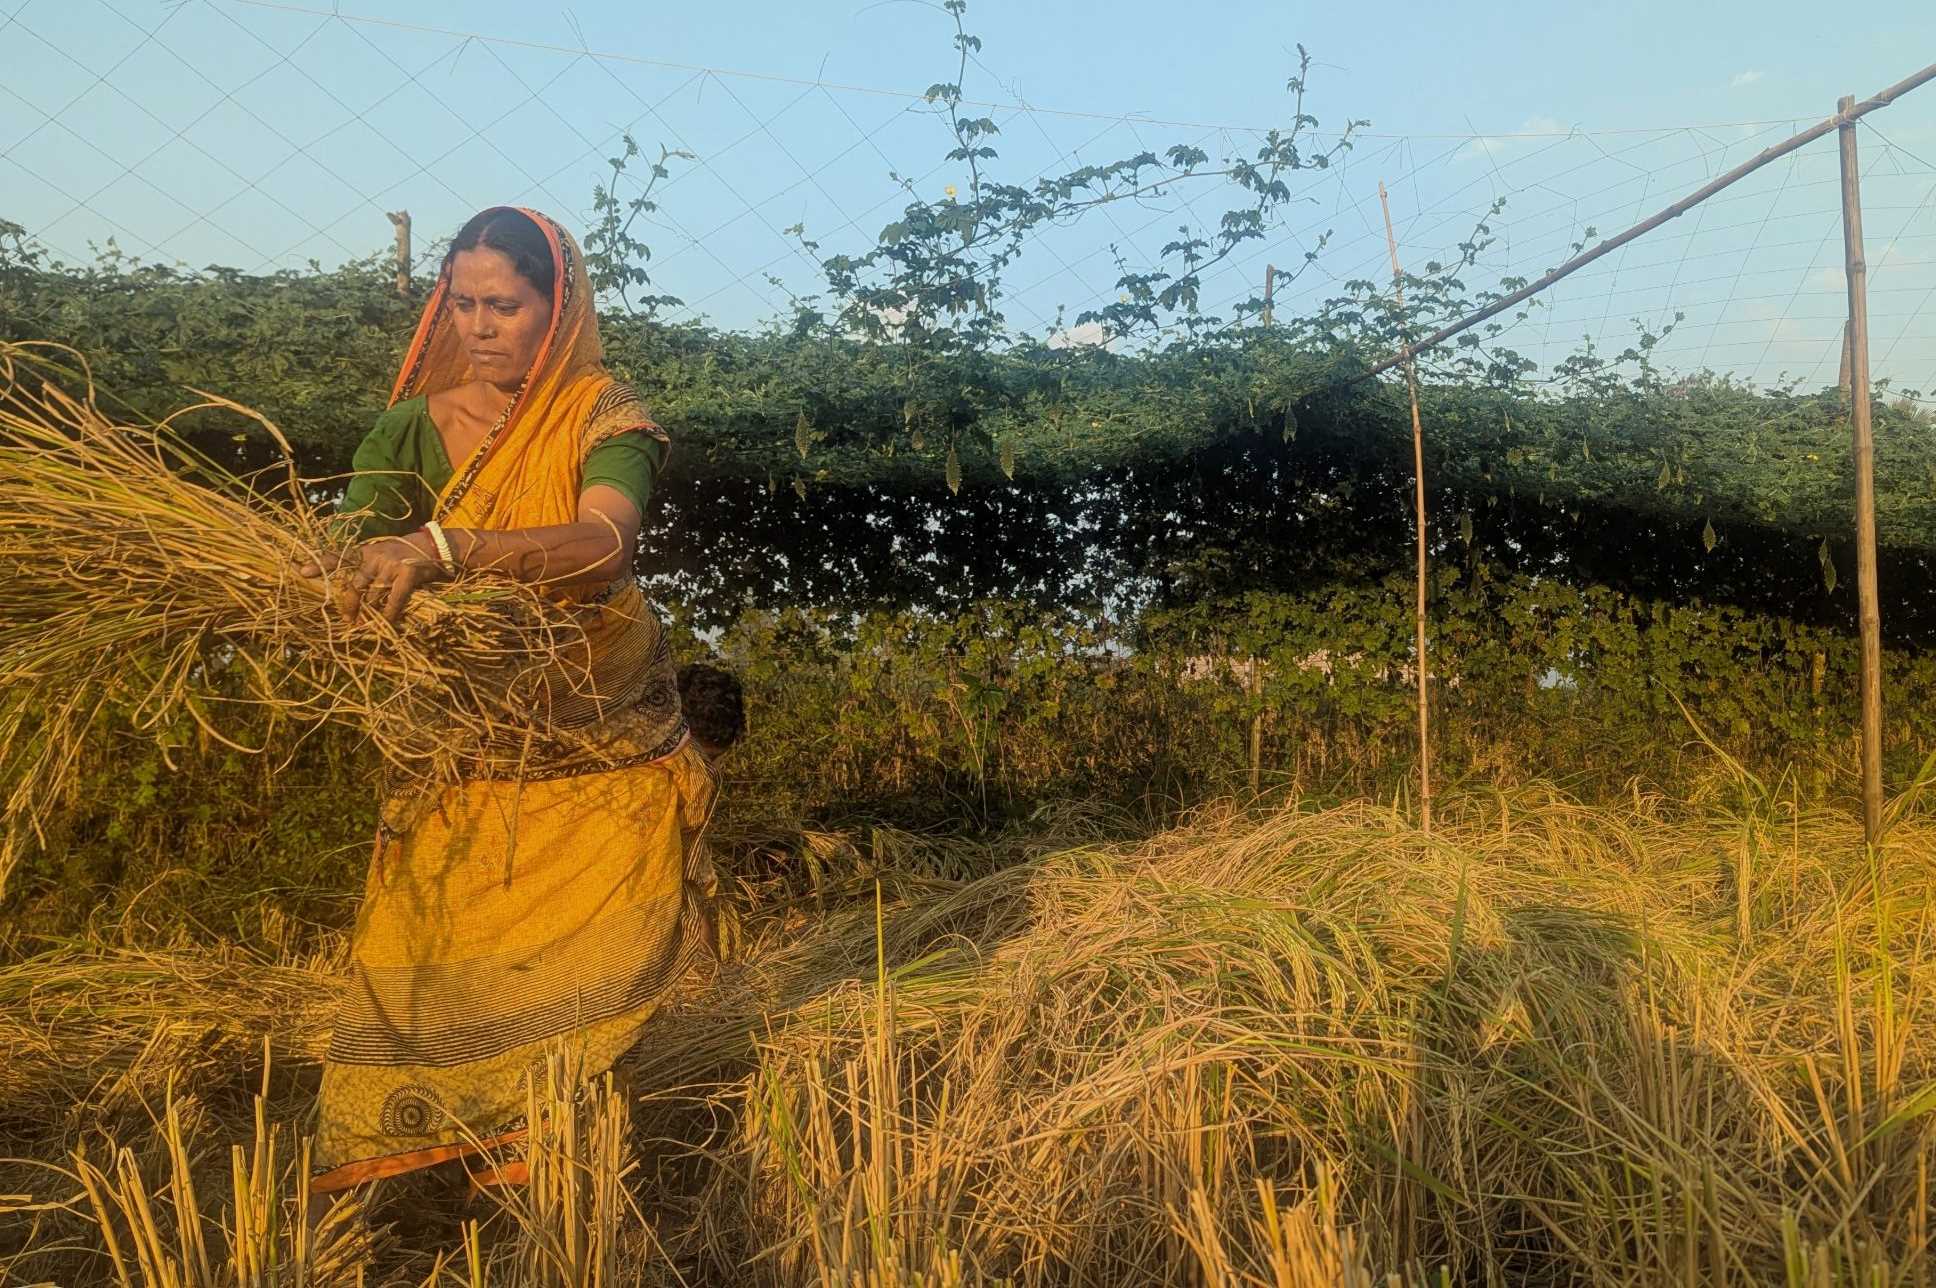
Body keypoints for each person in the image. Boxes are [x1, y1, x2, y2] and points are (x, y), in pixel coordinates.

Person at [297, 206, 716, 1199]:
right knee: (433, 940)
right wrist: (345, 600)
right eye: (463, 302)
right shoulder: (408, 427)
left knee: (579, 972)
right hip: (462, 748)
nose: (480, 324)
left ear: (556, 310)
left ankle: (546, 1173)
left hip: (599, 744)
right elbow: (356, 561)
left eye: (506, 305)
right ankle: (421, 1164)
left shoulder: (600, 415)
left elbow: (603, 542)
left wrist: (445, 551)